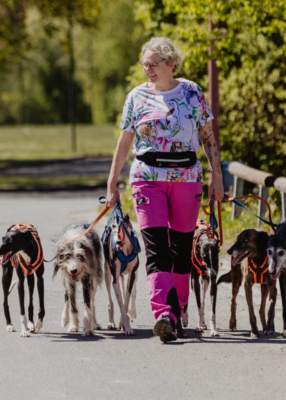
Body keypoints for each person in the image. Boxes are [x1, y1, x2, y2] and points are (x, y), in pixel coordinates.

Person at [105, 37, 223, 343]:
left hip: (187, 176)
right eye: (144, 64)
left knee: (181, 249)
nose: (147, 69)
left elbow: (207, 136)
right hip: (147, 176)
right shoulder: (136, 97)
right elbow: (125, 142)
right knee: (157, 248)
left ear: (171, 64)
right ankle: (164, 314)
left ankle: (178, 309)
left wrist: (217, 176)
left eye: (153, 64)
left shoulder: (192, 93)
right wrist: (112, 181)